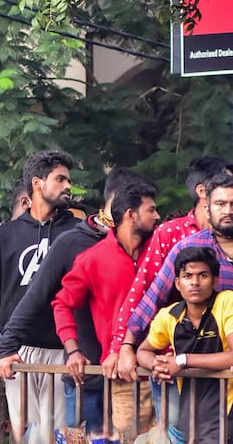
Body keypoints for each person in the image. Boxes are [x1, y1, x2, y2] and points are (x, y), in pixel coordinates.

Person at [0, 167, 142, 436]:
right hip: (86, 374)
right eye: (148, 208)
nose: (153, 216)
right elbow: (41, 298)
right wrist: (6, 348)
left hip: (134, 372)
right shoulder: (76, 241)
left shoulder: (150, 244)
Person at [0, 150, 76, 442]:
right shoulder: (6, 234)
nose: (68, 186)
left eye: (68, 180)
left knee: (58, 434)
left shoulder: (75, 232)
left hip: (61, 347)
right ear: (37, 183)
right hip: (16, 350)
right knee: (26, 434)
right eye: (60, 179)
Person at [52, 181, 160, 442]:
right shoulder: (93, 258)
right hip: (121, 374)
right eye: (151, 210)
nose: (157, 217)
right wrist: (73, 351)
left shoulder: (161, 250)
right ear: (131, 215)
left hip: (164, 370)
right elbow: (62, 303)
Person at [111, 155, 233, 378]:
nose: (228, 210)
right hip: (187, 371)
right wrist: (125, 346)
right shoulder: (189, 246)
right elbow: (151, 296)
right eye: (220, 204)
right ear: (208, 208)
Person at [137, 246, 233, 444]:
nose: (195, 283)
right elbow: (143, 351)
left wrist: (182, 360)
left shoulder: (226, 302)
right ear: (178, 284)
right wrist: (156, 365)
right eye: (187, 276)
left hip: (228, 406)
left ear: (215, 280)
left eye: (203, 275)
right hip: (191, 411)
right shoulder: (169, 315)